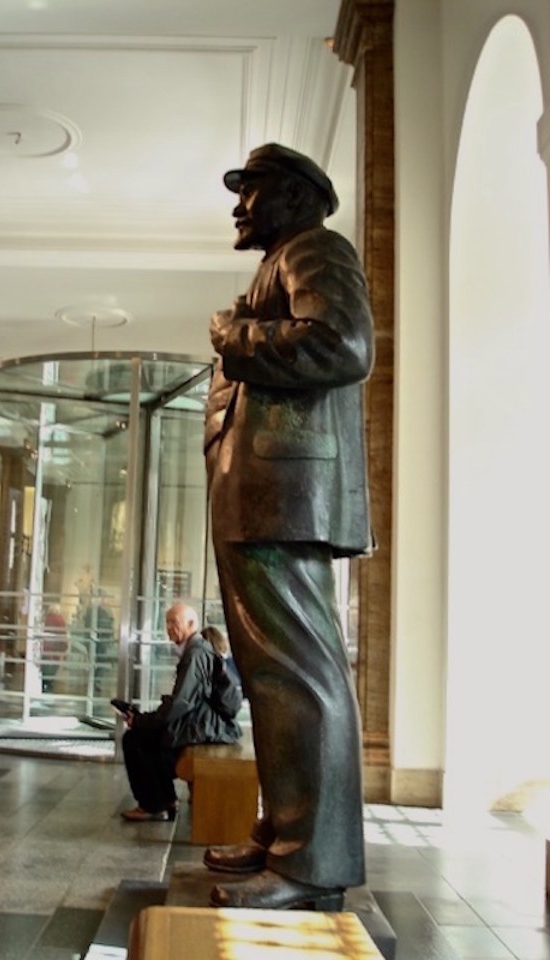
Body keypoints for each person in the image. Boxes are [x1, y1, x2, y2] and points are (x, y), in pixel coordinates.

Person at [203, 143, 374, 911]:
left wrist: (235, 338)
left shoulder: (316, 248)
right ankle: (287, 836)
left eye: (254, 189)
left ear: (299, 197)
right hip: (265, 491)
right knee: (274, 676)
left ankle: (311, 865)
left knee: (298, 676)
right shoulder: (279, 261)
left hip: (288, 491)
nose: (240, 205)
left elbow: (345, 343)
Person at [120, 601, 241, 822]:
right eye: (166, 622)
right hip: (205, 723)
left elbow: (180, 703)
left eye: (174, 622)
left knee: (136, 740)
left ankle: (153, 804)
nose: (168, 627)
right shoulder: (196, 650)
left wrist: (142, 721)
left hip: (208, 727)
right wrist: (145, 720)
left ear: (191, 623)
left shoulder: (196, 653)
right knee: (144, 738)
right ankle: (164, 800)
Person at [40, 604, 68, 693]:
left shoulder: (46, 618)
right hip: (56, 646)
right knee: (54, 664)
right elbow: (63, 633)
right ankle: (49, 680)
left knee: (46, 662)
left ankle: (45, 680)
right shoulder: (60, 619)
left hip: (47, 645)